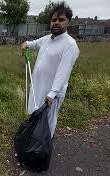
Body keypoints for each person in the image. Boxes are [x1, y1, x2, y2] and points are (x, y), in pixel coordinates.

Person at [20, 1, 80, 138]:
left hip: (51, 92)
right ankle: (33, 141)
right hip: (38, 85)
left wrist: (52, 93)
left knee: (48, 121)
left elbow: (63, 72)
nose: (56, 23)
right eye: (54, 20)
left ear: (68, 22)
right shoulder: (47, 39)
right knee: (35, 115)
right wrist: (25, 44)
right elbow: (33, 44)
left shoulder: (70, 45)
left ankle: (43, 147)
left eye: (61, 20)